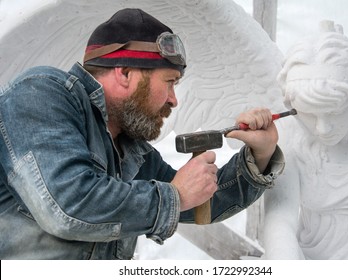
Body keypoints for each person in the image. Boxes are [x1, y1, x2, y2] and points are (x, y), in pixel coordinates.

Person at [0, 8, 284, 259]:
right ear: (124, 74)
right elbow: (65, 206)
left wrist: (261, 155)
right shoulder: (41, 94)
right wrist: (174, 196)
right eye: (170, 82)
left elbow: (204, 202)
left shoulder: (130, 149)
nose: (174, 100)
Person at [263, 24, 348, 259]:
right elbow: (280, 216)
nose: (322, 128)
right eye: (309, 114)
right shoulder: (288, 129)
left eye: (334, 112)